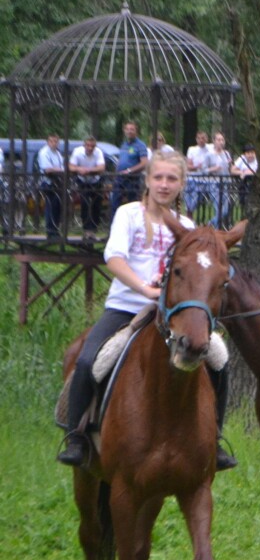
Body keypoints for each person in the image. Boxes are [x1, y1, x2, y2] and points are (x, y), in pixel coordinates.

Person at [58, 152, 237, 470]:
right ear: (148, 180)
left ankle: (215, 439)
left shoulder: (186, 225)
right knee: (89, 361)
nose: (164, 185)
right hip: (126, 308)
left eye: (172, 179)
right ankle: (76, 438)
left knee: (220, 359)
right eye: (158, 178)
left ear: (182, 184)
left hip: (172, 314)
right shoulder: (128, 214)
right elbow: (113, 257)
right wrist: (144, 288)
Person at [110, 121, 149, 223]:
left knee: (133, 206)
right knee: (115, 204)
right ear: (124, 131)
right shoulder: (124, 144)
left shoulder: (140, 145)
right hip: (119, 178)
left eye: (132, 129)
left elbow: (144, 163)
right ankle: (113, 229)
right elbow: (121, 161)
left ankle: (134, 228)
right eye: (127, 129)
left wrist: (129, 171)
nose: (129, 131)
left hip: (132, 180)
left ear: (136, 131)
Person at [69, 136, 107, 242]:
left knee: (97, 204)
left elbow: (101, 167)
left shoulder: (98, 152)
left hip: (96, 180)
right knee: (85, 204)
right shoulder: (77, 152)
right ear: (84, 145)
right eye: (88, 145)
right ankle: (87, 230)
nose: (90, 148)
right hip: (83, 181)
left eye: (92, 146)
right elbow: (71, 167)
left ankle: (93, 229)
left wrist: (89, 170)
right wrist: (79, 169)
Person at [36, 132, 66, 238]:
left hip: (58, 183)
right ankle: (50, 230)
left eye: (56, 141)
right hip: (48, 182)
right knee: (51, 206)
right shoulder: (44, 152)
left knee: (57, 206)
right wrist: (59, 170)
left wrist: (59, 170)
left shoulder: (57, 153)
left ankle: (55, 229)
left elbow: (62, 167)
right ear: (48, 141)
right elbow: (47, 169)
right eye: (51, 141)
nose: (54, 143)